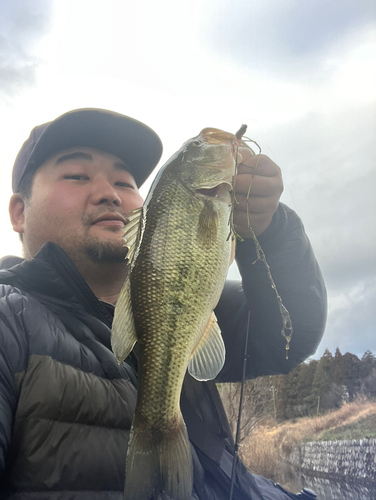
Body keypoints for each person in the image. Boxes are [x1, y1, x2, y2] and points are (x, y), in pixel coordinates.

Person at [0, 108, 326, 499]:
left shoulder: (192, 304)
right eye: (77, 175)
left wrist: (271, 231)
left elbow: (290, 336)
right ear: (19, 212)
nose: (109, 193)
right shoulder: (9, 322)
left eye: (124, 181)